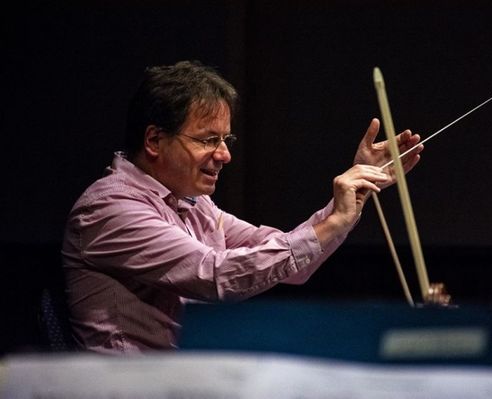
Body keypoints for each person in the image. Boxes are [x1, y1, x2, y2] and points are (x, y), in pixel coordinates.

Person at [61, 60, 424, 354]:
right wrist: (332, 223)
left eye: (226, 139)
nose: (225, 155)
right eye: (209, 140)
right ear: (155, 140)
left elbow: (286, 258)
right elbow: (216, 276)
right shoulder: (110, 208)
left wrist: (351, 199)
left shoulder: (192, 201)